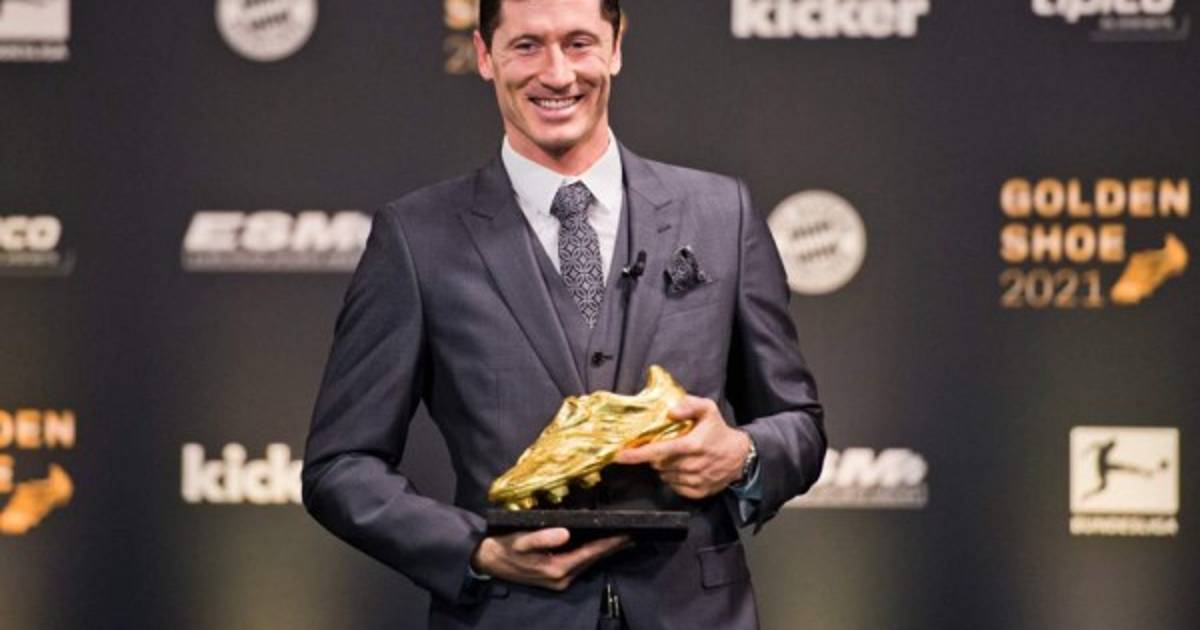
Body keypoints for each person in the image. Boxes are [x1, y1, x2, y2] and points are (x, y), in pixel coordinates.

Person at [301, 1, 826, 628]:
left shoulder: (722, 214)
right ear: (484, 55)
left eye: (579, 43)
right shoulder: (417, 239)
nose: (556, 74)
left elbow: (800, 425)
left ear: (616, 47)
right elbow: (340, 466)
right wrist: (476, 552)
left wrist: (741, 455)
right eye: (527, 46)